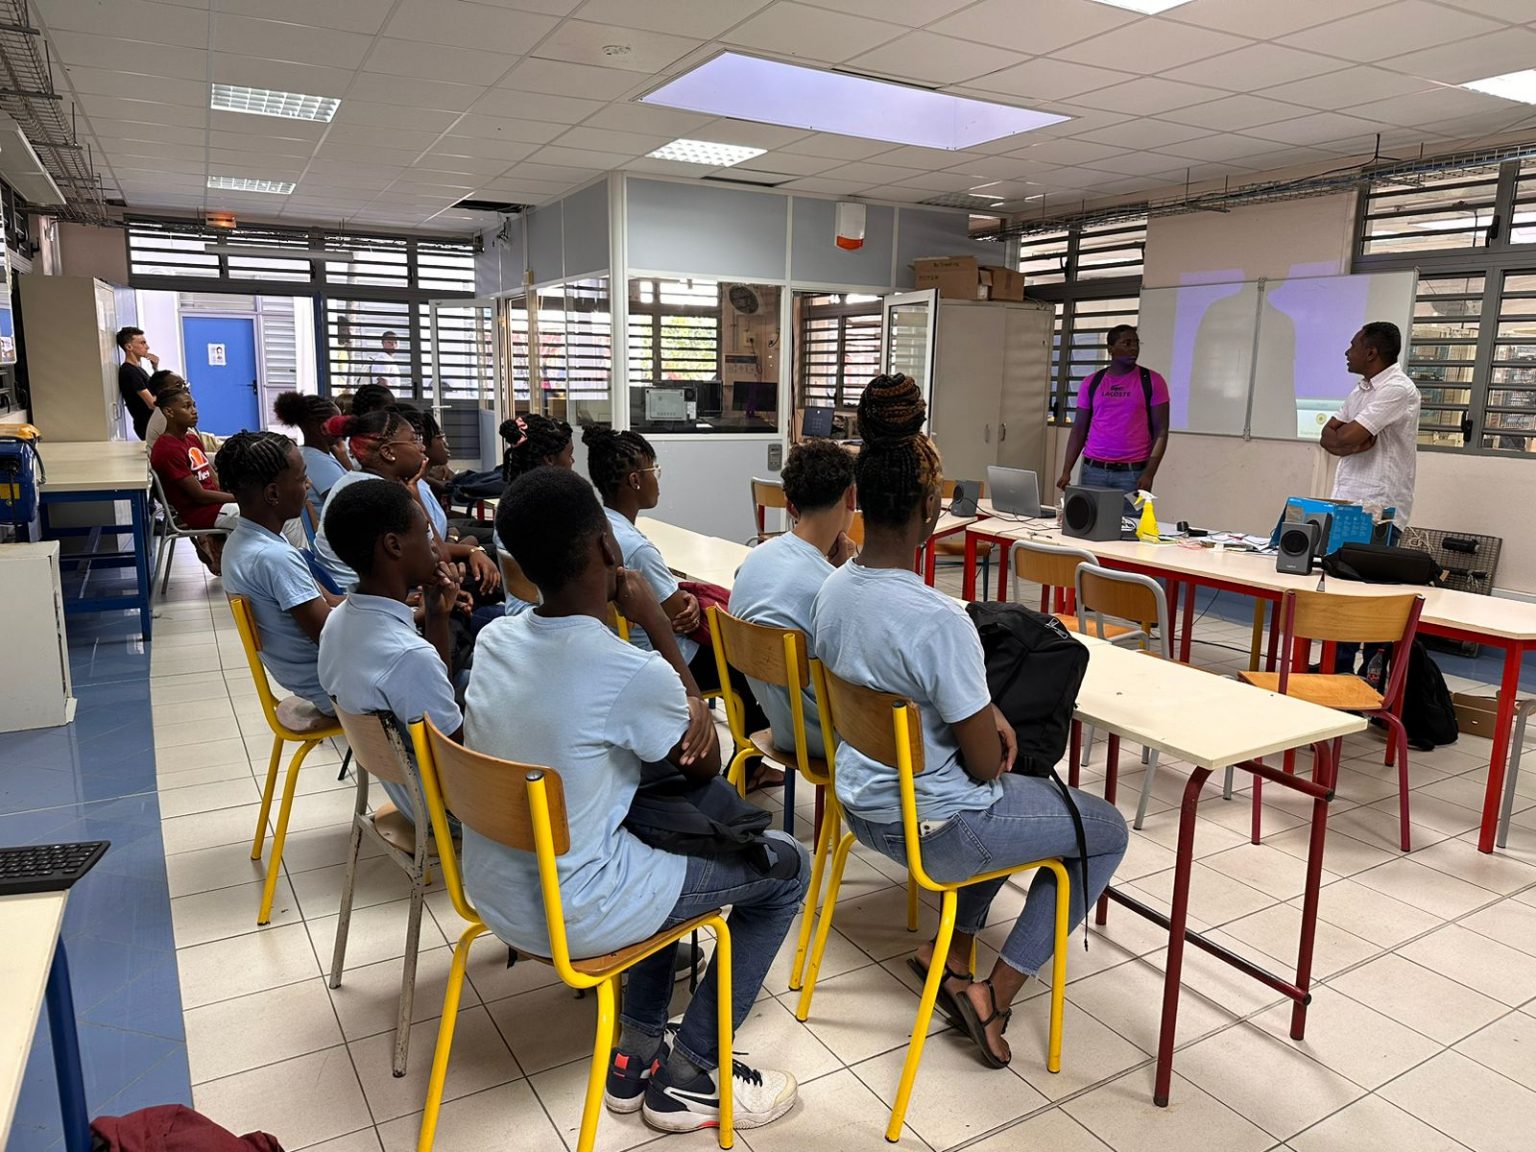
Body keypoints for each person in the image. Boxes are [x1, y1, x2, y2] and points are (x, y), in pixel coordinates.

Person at [465, 465, 805, 1131]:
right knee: (788, 868)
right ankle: (691, 1075)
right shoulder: (630, 670)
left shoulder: (495, 638)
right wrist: (655, 624)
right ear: (607, 547)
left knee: (651, 836)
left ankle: (635, 1054)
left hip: (496, 893)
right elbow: (704, 764)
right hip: (577, 910)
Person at [813, 374, 1128, 1070]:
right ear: (932, 509)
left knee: (1017, 804)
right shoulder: (938, 619)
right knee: (1101, 830)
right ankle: (994, 994)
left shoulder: (832, 589)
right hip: (936, 831)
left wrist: (980, 709)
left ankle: (948, 953)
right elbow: (986, 768)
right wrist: (985, 726)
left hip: (863, 805)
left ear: (858, 500)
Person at [583, 424, 777, 788]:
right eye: (654, 471)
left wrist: (684, 596)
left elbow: (671, 602)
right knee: (748, 665)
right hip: (667, 657)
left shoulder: (605, 526)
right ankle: (750, 769)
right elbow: (677, 616)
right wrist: (686, 601)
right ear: (635, 481)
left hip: (629, 648)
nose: (658, 480)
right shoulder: (638, 548)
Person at [318, 480, 463, 822]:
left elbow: (428, 688)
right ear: (394, 545)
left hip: (409, 795)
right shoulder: (406, 655)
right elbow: (458, 757)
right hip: (451, 812)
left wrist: (437, 616)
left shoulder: (337, 621)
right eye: (425, 535)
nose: (434, 546)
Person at [728, 439, 858, 759]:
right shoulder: (831, 588)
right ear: (851, 497)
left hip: (783, 730)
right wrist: (848, 577)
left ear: (790, 505)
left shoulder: (754, 560)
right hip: (830, 739)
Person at [312, 409, 500, 597]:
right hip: (380, 596)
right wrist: (471, 548)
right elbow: (438, 556)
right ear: (388, 452)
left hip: (367, 591)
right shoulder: (382, 495)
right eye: (413, 440)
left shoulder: (356, 481)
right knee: (495, 572)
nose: (422, 447)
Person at [217, 431, 338, 714]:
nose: (308, 484)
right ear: (273, 493)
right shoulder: (273, 557)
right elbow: (330, 636)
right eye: (302, 478)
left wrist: (396, 605)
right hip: (335, 689)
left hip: (309, 681)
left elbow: (330, 600)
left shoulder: (243, 540)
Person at [1323, 321, 1419, 673]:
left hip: (1379, 509)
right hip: (1348, 502)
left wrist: (1347, 441)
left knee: (1369, 600)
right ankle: (1337, 671)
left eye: (1352, 346)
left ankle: (1369, 678)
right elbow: (1329, 436)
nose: (1347, 352)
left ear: (1371, 352)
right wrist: (1348, 442)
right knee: (1340, 593)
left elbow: (1346, 436)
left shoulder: (1397, 389)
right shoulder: (1361, 389)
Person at [1055, 325, 1170, 513]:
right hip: (1093, 471)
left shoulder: (1152, 381)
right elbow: (1079, 429)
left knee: (1131, 525)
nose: (1134, 348)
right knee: (1090, 522)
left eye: (1136, 343)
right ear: (1110, 349)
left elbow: (1161, 431)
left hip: (1134, 474)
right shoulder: (1092, 382)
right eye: (1127, 343)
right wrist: (1067, 470)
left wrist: (1149, 473)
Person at [149, 386, 238, 573]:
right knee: (256, 514)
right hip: (196, 511)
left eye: (194, 405)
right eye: (187, 406)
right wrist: (240, 498)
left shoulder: (192, 440)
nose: (194, 411)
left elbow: (212, 478)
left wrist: (235, 492)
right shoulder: (167, 449)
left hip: (213, 505)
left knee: (265, 508)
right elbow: (199, 495)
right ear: (169, 412)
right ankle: (245, 571)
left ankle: (224, 551)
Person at [495, 414, 575, 617]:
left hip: (516, 609)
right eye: (570, 455)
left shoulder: (509, 505)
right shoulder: (555, 516)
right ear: (550, 460)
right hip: (548, 615)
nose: (572, 462)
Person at [273, 392, 351, 500]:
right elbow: (354, 500)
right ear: (322, 428)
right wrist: (345, 459)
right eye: (337, 422)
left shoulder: (308, 454)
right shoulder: (318, 462)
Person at [116, 326, 159, 441]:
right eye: (142, 343)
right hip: (147, 426)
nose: (147, 347)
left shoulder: (138, 369)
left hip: (152, 423)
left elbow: (155, 389)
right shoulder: (129, 372)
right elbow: (152, 404)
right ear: (129, 347)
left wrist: (155, 368)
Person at [143, 370, 187, 455]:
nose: (185, 388)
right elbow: (186, 454)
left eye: (184, 384)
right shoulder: (166, 418)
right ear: (162, 391)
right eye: (179, 385)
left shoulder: (168, 411)